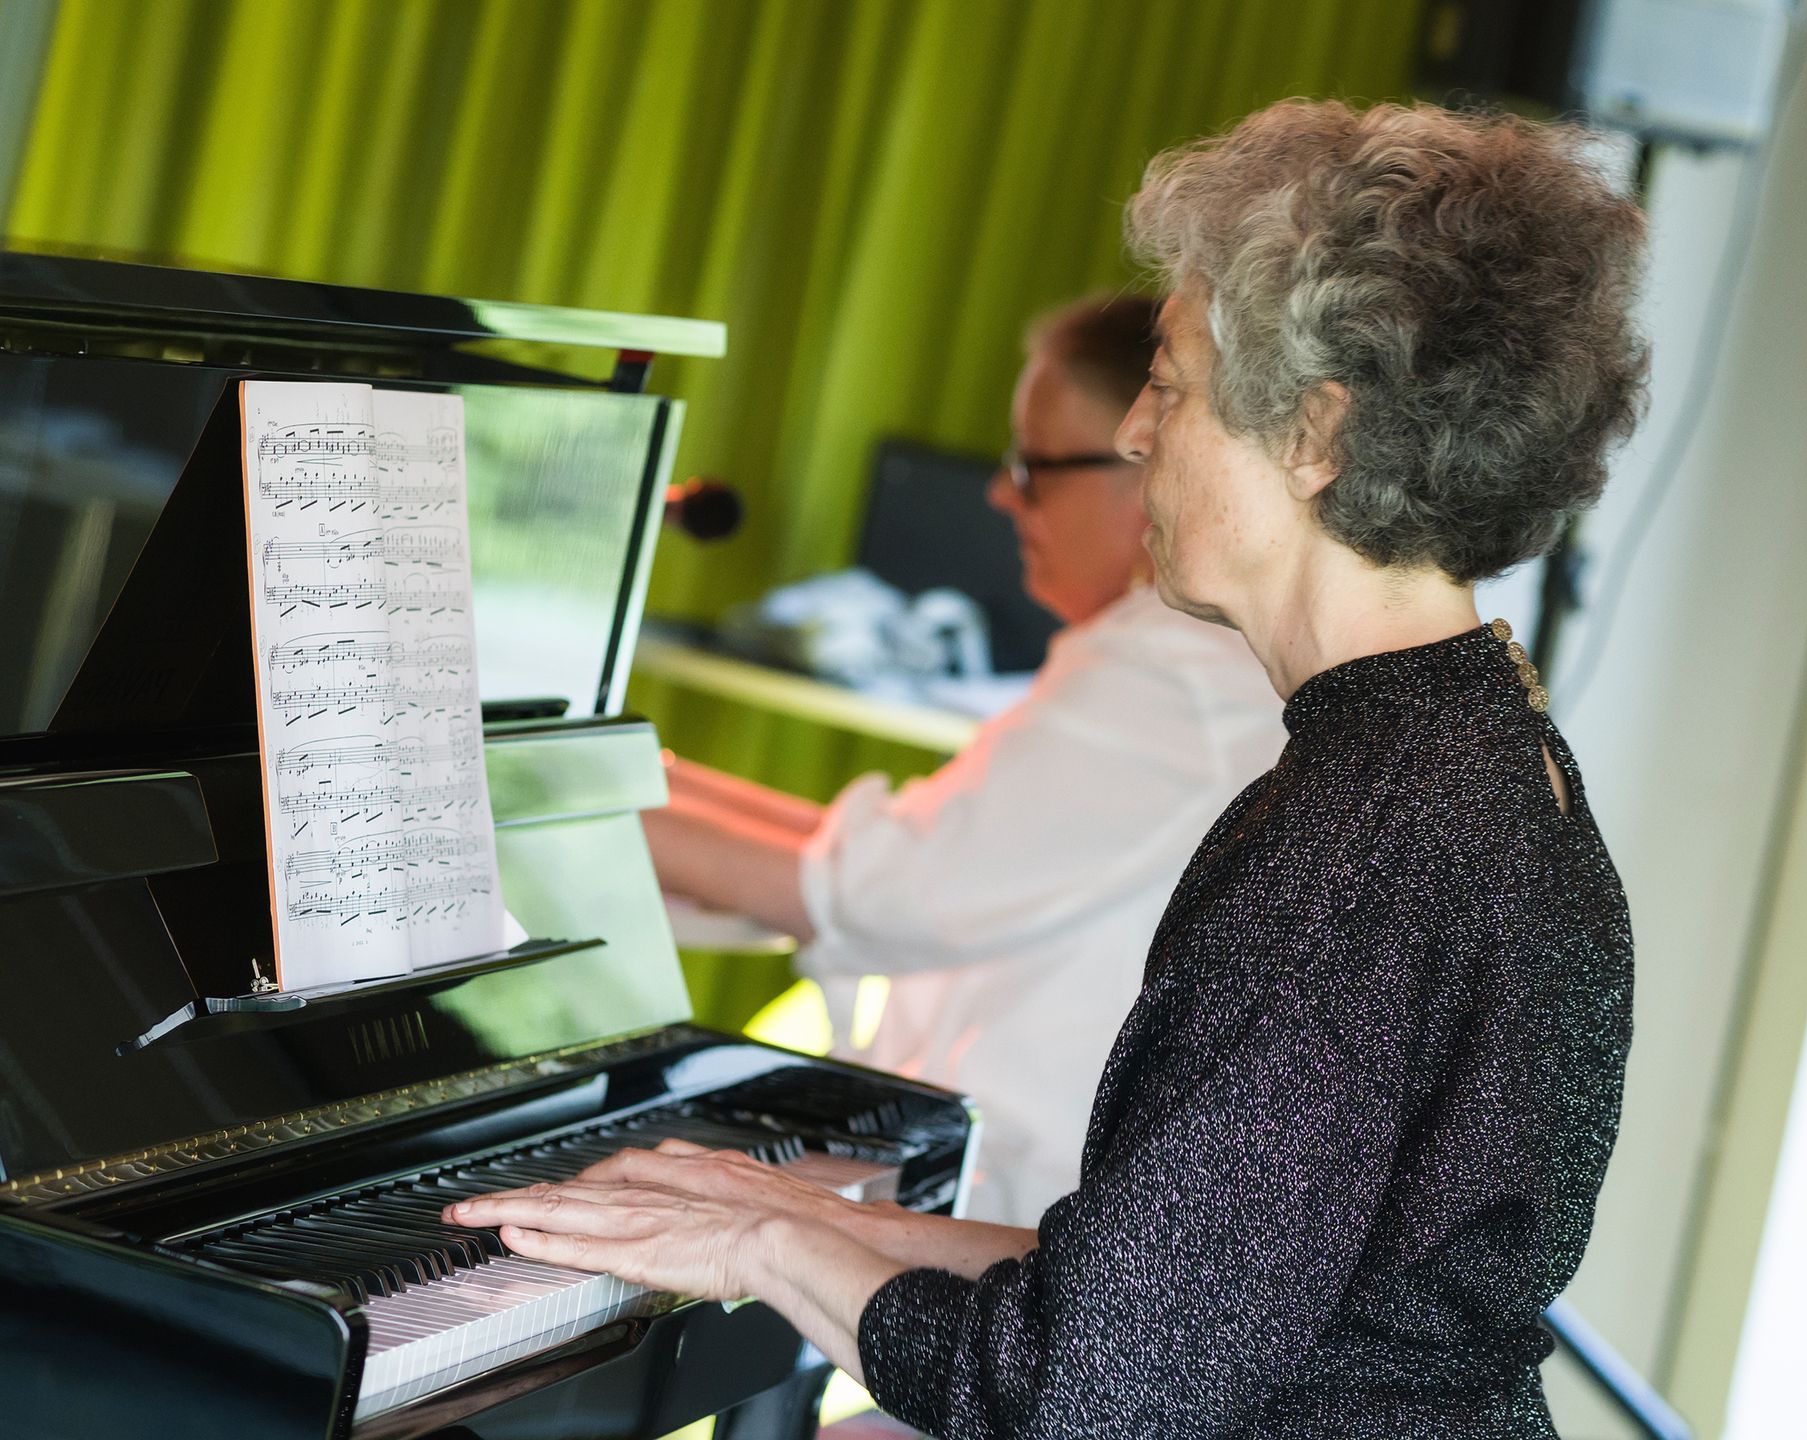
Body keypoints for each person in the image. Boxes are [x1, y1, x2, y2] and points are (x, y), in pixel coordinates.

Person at [448, 99, 1649, 1439]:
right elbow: (1182, 1303)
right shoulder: (1477, 753)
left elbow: (1088, 1393)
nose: (1135, 432)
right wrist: (793, 1209)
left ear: (1317, 436)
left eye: (1171, 384)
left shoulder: (1357, 835)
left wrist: (762, 1248)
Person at [646, 293, 1286, 1226]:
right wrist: (644, 781)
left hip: (1022, 1219)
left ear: (1152, 461)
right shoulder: (1176, 659)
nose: (1001, 494)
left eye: (1032, 465)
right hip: (989, 1182)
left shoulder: (1176, 666)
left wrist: (536, 796)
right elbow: (908, 845)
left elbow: (876, 891)